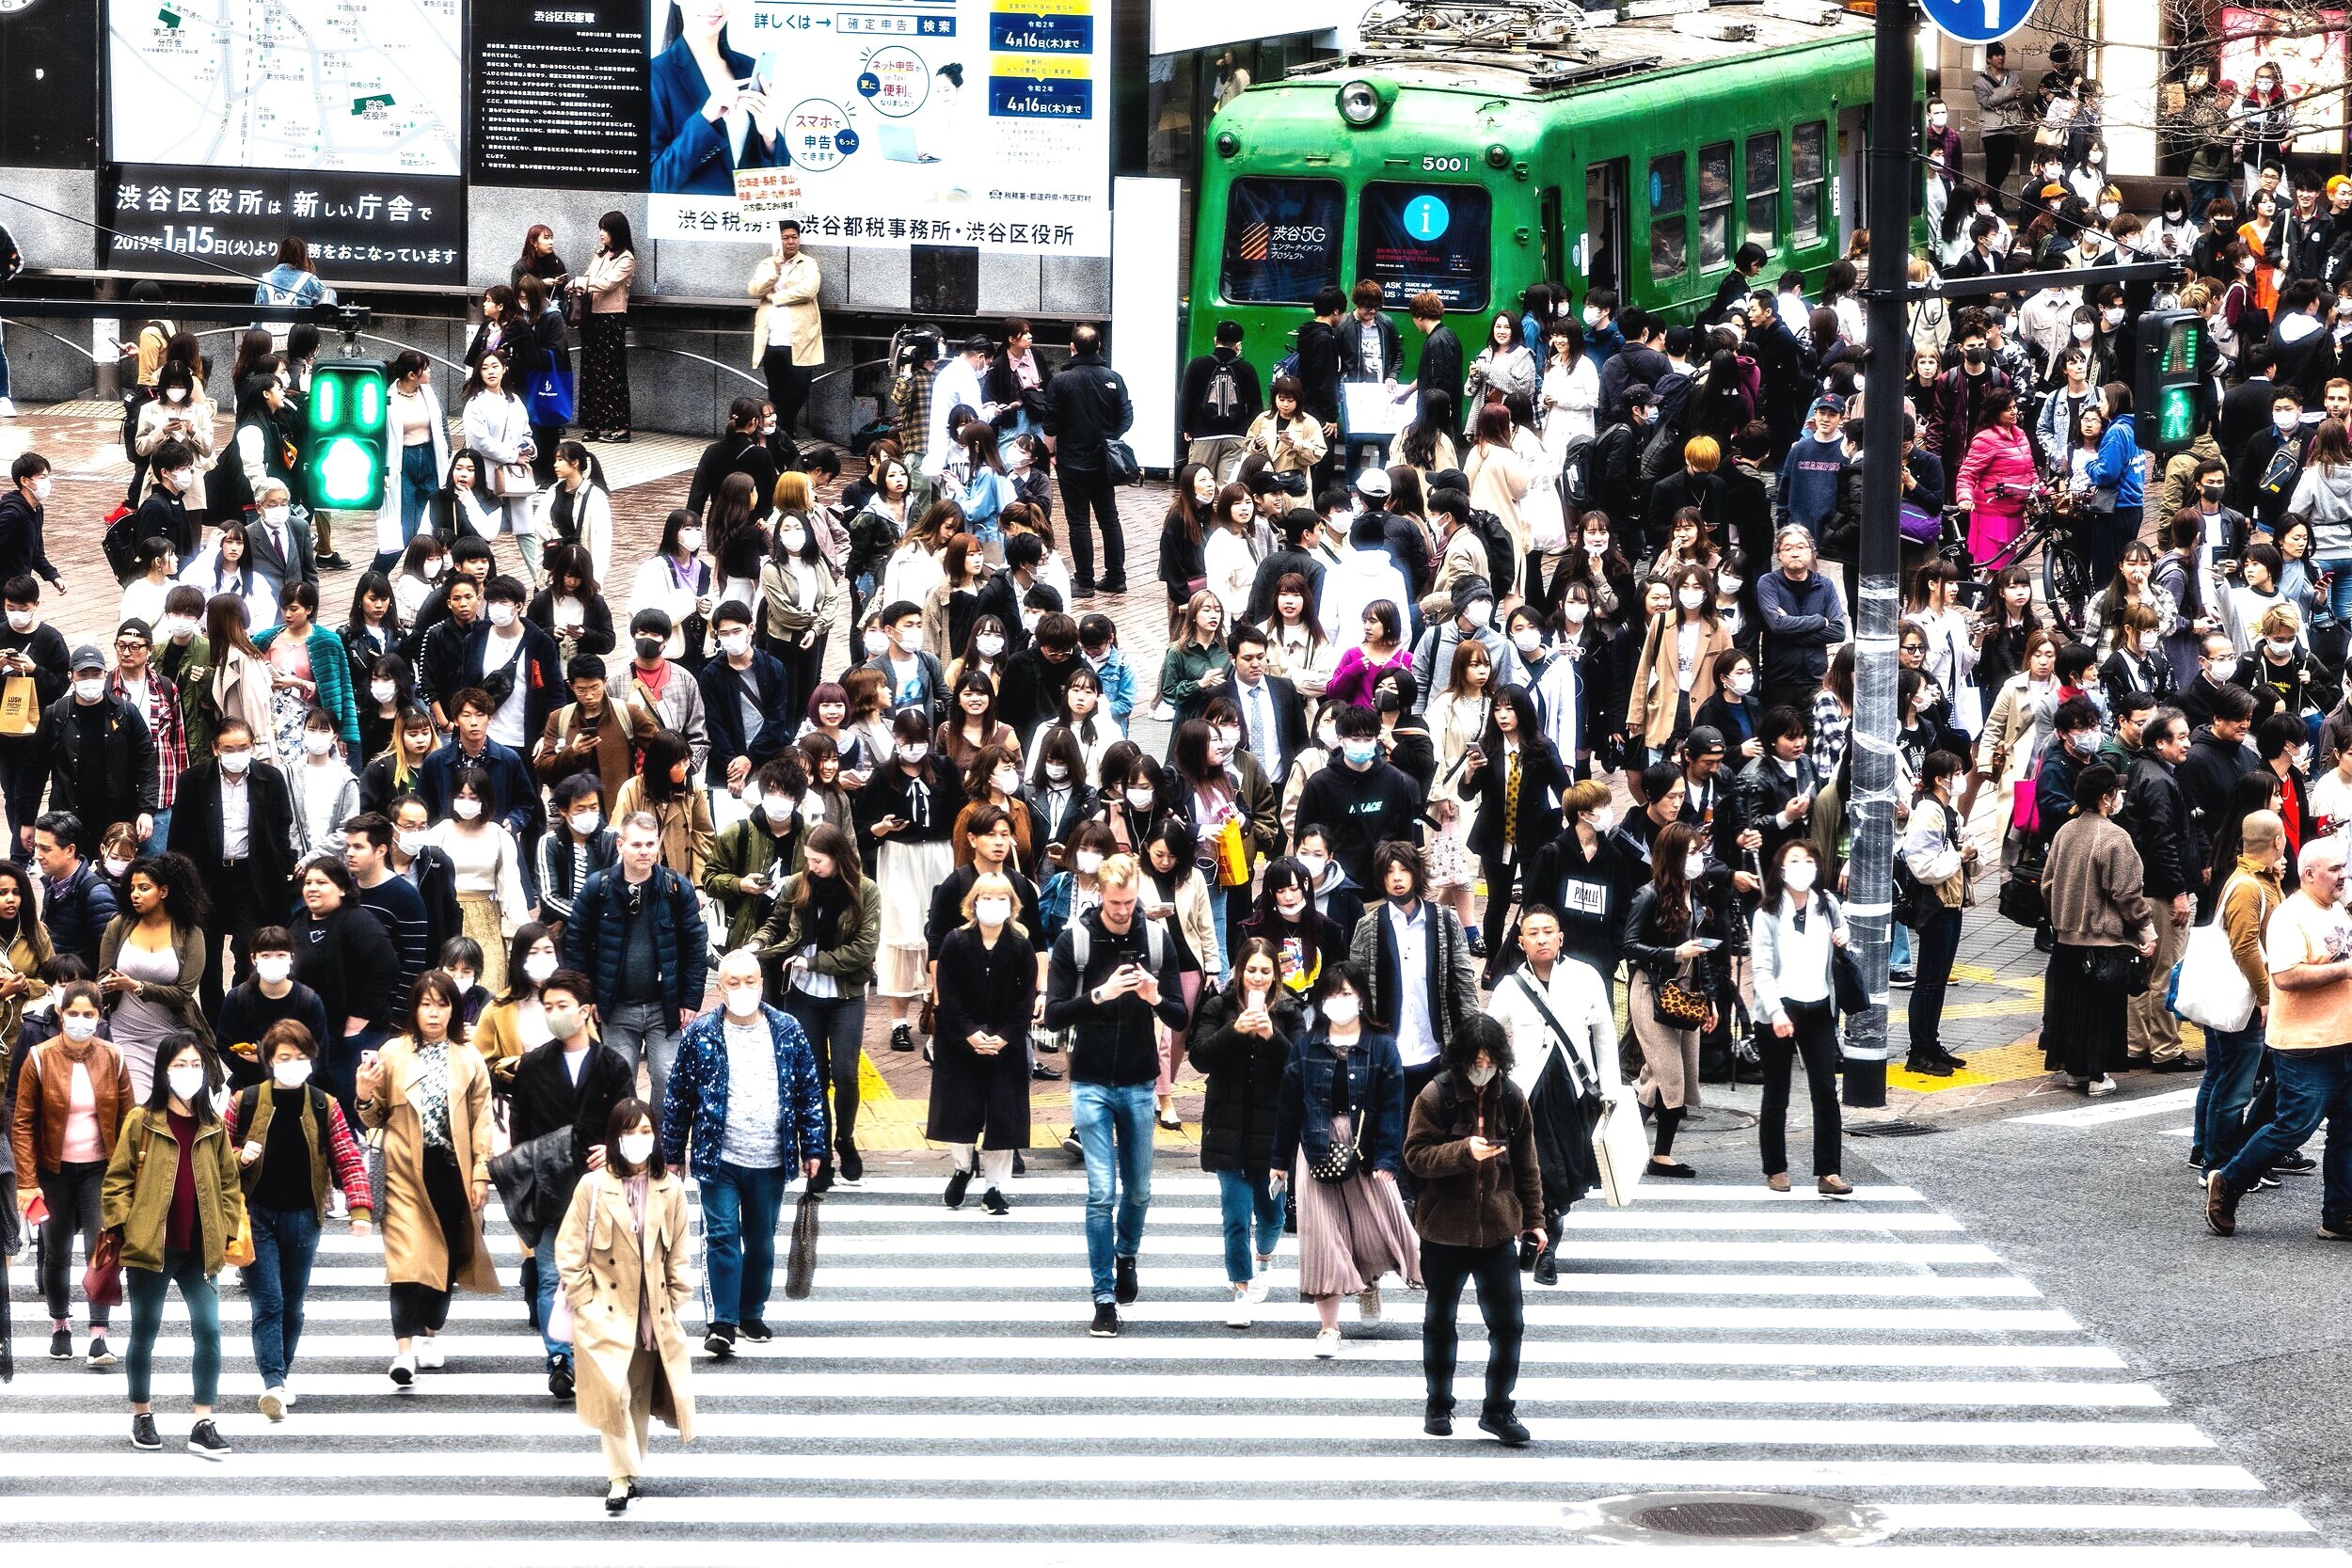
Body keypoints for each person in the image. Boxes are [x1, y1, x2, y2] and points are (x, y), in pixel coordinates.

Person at [1043, 852, 1187, 1336]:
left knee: (1141, 1191)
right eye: (1115, 902)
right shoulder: (1076, 942)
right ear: (1100, 896)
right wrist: (1100, 995)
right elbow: (1055, 1014)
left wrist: (1152, 997)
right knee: (1101, 1191)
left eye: (1130, 901)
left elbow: (1180, 1016)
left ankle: (1126, 1254)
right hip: (1089, 1080)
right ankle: (1103, 1296)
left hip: (1139, 1079)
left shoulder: (1156, 938)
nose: (1124, 911)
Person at [660, 947, 825, 1355]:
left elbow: (809, 1092)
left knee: (762, 1240)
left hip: (770, 1158)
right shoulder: (701, 1034)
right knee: (720, 1236)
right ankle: (722, 1322)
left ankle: (752, 1310)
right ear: (720, 989)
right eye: (734, 982)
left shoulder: (787, 1029)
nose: (743, 988)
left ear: (762, 984)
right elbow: (679, 1095)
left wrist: (815, 1145)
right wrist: (672, 1151)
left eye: (750, 981)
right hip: (719, 1158)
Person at [1404, 1013, 1543, 1444]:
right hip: (1443, 1229)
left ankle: (1498, 1410)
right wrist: (1463, 1152)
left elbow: (1527, 1165)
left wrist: (1535, 1221)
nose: (1482, 1069)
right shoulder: (1435, 1096)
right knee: (1440, 1321)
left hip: (1498, 1230)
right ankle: (1438, 1405)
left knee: (1508, 1325)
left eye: (1490, 1061)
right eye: (1475, 1060)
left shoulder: (1513, 1097)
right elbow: (1415, 1156)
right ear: (1461, 1058)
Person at [555, 1097, 697, 1514]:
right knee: (613, 1393)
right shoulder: (593, 1186)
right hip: (605, 1312)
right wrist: (585, 1303)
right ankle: (618, 1477)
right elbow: (569, 1249)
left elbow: (680, 1254)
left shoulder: (670, 1190)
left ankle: (629, 1470)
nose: (637, 1140)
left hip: (652, 1313)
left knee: (635, 1394)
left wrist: (675, 1299)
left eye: (645, 1132)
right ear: (614, 1138)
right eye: (628, 1132)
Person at [2206, 832, 2352, 1240]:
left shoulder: (2337, 908)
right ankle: (2228, 1181)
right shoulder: (2291, 916)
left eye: (2344, 867)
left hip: (2345, 1039)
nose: (2344, 876)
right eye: (2336, 870)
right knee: (2292, 1128)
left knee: (2348, 1130)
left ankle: (2339, 1215)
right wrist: (2344, 970)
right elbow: (2286, 977)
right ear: (2308, 874)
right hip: (2306, 1046)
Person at [1271, 962, 1420, 1357]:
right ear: (1321, 1000)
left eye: (1348, 994)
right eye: (1333, 994)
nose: (1340, 1002)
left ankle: (1367, 1280)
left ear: (1362, 999)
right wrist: (1279, 1160)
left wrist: (1389, 1157)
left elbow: (1392, 1106)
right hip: (1315, 1146)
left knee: (1375, 1228)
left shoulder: (1382, 1045)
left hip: (1365, 1147)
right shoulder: (1306, 1046)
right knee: (1322, 1236)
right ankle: (1329, 1327)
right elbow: (1288, 1106)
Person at [222, 1020, 369, 1420]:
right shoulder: (245, 1101)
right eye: (284, 1057)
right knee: (268, 1303)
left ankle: (280, 1376)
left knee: (293, 1305)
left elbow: (347, 1157)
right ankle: (273, 1382)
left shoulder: (325, 1105)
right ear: (269, 1060)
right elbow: (216, 1157)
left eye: (301, 1057)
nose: (293, 1064)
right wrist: (239, 1157)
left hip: (305, 1217)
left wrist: (359, 1208)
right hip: (256, 1218)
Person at [358, 971, 496, 1388]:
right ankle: (403, 1352)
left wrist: (480, 1175)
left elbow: (482, 1122)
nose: (433, 1014)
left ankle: (431, 1328)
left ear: (453, 1010)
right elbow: (373, 1116)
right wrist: (364, 1093)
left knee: (447, 1257)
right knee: (405, 1263)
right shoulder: (393, 1053)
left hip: (452, 1170)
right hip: (403, 1171)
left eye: (442, 1004)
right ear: (413, 1009)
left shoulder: (469, 1058)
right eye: (425, 1004)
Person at [103, 1034, 239, 1457]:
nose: (189, 1072)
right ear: (164, 1070)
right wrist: (128, 1226)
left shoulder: (212, 1123)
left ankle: (203, 1420)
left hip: (200, 1248)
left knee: (210, 1331)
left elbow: (229, 1184)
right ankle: (141, 1413)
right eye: (180, 1065)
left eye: (195, 1064)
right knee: (145, 1331)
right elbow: (116, 1182)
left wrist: (228, 1227)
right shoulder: (142, 1120)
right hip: (152, 1249)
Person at [507, 968, 633, 1401]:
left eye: (563, 1007)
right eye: (548, 1007)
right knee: (549, 1275)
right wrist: (527, 1170)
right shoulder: (534, 1064)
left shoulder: (612, 1064)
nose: (554, 1014)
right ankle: (559, 1357)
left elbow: (630, 1122)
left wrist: (613, 1152)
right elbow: (519, 1128)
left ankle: (594, 1354)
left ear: (585, 1012)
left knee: (602, 1273)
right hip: (550, 1186)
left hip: (601, 1187)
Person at [10, 981, 131, 1368]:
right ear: (60, 1015)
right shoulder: (39, 1057)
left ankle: (99, 1335)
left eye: (89, 1014)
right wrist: (27, 1182)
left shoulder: (114, 1058)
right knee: (57, 1251)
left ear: (100, 1016)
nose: (81, 1021)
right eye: (73, 1014)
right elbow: (23, 1123)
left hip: (100, 1169)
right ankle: (60, 1326)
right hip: (53, 1170)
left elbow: (131, 1121)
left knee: (103, 1248)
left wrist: (131, 1176)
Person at [562, 811, 710, 1115]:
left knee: (668, 1076)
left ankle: (657, 1141)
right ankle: (622, 1145)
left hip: (665, 1008)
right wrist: (586, 997)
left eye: (651, 844)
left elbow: (696, 946)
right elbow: (575, 944)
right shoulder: (598, 888)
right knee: (618, 1078)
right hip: (617, 1007)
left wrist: (691, 999)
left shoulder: (675, 888)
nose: (645, 851)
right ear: (620, 845)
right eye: (637, 844)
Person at [758, 823, 879, 1184]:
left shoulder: (865, 890)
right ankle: (819, 1151)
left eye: (819, 861)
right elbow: (775, 923)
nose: (812, 867)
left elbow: (863, 950)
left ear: (838, 858)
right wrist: (758, 942)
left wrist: (813, 962)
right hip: (803, 994)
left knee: (845, 1072)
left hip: (845, 994)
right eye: (808, 860)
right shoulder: (798, 884)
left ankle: (845, 1137)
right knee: (813, 1078)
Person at [1189, 937, 1302, 1323]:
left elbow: (1302, 1067)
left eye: (1264, 971)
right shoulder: (1217, 1006)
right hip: (1227, 1124)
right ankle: (1240, 1289)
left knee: (1270, 1215)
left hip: (1273, 1129)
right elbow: (1200, 1057)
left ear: (1276, 975)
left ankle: (1265, 1258)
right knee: (1235, 1214)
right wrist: (1234, 1030)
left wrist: (1273, 1036)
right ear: (1238, 970)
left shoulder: (1289, 1010)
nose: (1256, 978)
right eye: (1250, 970)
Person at [2039, 765, 2156, 1097]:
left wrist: (2060, 916)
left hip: (2065, 940)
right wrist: (2145, 932)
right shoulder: (2115, 837)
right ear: (2106, 797)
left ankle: (2075, 1072)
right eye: (2116, 792)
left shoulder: (2065, 832)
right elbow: (2126, 893)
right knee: (2101, 1011)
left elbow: (2047, 885)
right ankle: (2096, 1075)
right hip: (2102, 941)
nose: (2119, 797)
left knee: (2071, 1009)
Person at [1748, 838, 1855, 1194]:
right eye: (1795, 860)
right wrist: (1776, 1012)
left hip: (1819, 1007)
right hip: (1778, 1009)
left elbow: (1845, 938)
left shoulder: (1827, 905)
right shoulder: (1765, 913)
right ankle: (1775, 1167)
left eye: (1808, 860)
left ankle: (1829, 1171)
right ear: (1781, 869)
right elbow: (1761, 970)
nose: (1803, 867)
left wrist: (1844, 936)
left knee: (1825, 1089)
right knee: (1777, 1091)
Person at [927, 869, 1037, 1212]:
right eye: (986, 898)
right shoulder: (955, 942)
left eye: (1001, 898)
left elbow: (1026, 998)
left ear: (1012, 904)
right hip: (960, 1041)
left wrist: (1004, 1038)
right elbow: (948, 994)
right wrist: (970, 1034)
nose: (993, 904)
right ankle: (963, 1167)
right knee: (960, 1110)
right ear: (972, 903)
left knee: (1003, 1117)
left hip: (1006, 1044)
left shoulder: (1020, 944)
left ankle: (994, 1188)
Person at [1620, 819, 1721, 1174]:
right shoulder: (1648, 894)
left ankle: (1660, 1155)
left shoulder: (1696, 893)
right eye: (1692, 852)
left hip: (1686, 993)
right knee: (1668, 1074)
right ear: (1674, 856)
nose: (1699, 858)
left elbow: (1701, 951)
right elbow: (1629, 945)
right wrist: (1674, 953)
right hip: (1652, 990)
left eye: (1700, 851)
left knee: (1666, 1078)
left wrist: (1709, 998)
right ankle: (1610, 1145)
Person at [2198, 811, 2286, 1184]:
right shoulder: (2249, 886)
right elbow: (2246, 946)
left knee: (2230, 1079)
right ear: (2277, 842)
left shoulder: (2259, 879)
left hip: (2248, 999)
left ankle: (2232, 1158)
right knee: (2234, 1087)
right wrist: (2266, 997)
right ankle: (2217, 1165)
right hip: (2245, 1002)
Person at [1041, 325, 1135, 597]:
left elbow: (1050, 421)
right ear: (1099, 346)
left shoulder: (1061, 380)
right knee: (1109, 518)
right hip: (1105, 461)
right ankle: (1117, 577)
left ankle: (1084, 581)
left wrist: (1051, 452)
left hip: (1072, 461)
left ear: (1072, 347)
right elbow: (1126, 416)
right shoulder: (1113, 378)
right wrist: (1110, 439)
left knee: (1079, 521)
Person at [567, 212, 636, 442]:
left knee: (612, 374)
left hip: (611, 319)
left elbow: (606, 284)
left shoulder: (626, 259)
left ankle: (621, 428)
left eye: (605, 229)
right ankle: (593, 425)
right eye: (600, 229)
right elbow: (589, 278)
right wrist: (579, 284)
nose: (601, 234)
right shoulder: (600, 255)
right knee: (591, 373)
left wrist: (579, 283)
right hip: (592, 318)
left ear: (616, 232)